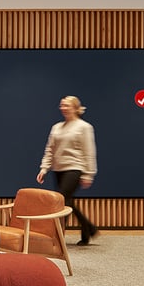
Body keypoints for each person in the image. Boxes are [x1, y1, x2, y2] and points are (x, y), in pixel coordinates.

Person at [37, 95, 98, 245]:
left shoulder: (84, 127)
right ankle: (88, 228)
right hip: (58, 169)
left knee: (62, 201)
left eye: (67, 105)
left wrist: (89, 174)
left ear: (76, 108)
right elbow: (50, 150)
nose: (63, 108)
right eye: (61, 105)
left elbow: (89, 151)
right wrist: (44, 168)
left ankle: (57, 237)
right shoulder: (56, 127)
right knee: (66, 202)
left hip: (75, 168)